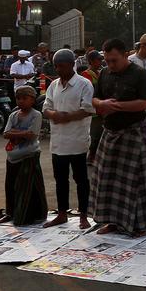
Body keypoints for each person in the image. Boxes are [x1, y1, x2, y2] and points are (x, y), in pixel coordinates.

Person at [90, 38, 146, 237]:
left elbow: (145, 103)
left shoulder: (139, 74)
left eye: (114, 60)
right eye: (107, 60)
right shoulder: (104, 73)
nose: (110, 65)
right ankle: (111, 221)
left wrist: (116, 106)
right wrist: (101, 104)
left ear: (126, 55)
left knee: (134, 183)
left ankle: (139, 225)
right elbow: (95, 98)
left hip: (133, 132)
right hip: (110, 132)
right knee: (107, 180)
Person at [43, 48, 95, 229]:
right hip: (58, 142)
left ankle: (83, 215)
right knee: (60, 180)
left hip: (77, 140)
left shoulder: (84, 84)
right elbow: (46, 107)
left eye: (62, 66)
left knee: (81, 180)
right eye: (56, 66)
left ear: (72, 65)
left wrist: (66, 116)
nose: (58, 70)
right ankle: (62, 213)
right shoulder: (54, 85)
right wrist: (53, 114)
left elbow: (87, 109)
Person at [0, 86, 48, 226]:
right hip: (12, 156)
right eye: (18, 98)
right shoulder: (13, 115)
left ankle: (28, 215)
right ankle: (10, 213)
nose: (21, 101)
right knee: (10, 185)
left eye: (24, 98)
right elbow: (5, 134)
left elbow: (32, 135)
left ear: (32, 99)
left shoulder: (36, 115)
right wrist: (22, 134)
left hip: (29, 156)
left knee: (27, 188)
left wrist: (15, 133)